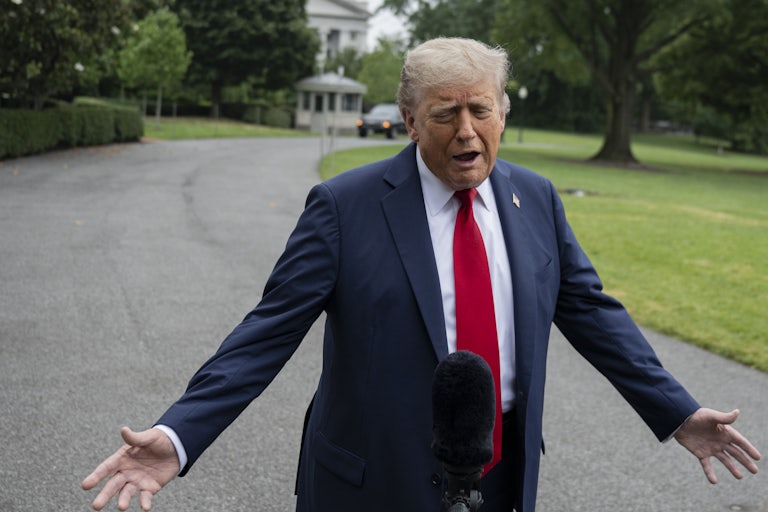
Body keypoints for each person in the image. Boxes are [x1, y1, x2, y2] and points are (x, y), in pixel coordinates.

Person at [82, 38, 760, 512]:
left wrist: (676, 412)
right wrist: (178, 435)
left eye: (481, 110)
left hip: (498, 475)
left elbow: (591, 311)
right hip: (370, 482)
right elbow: (266, 333)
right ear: (409, 121)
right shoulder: (344, 208)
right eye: (445, 115)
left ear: (503, 112)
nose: (467, 132)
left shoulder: (537, 199)